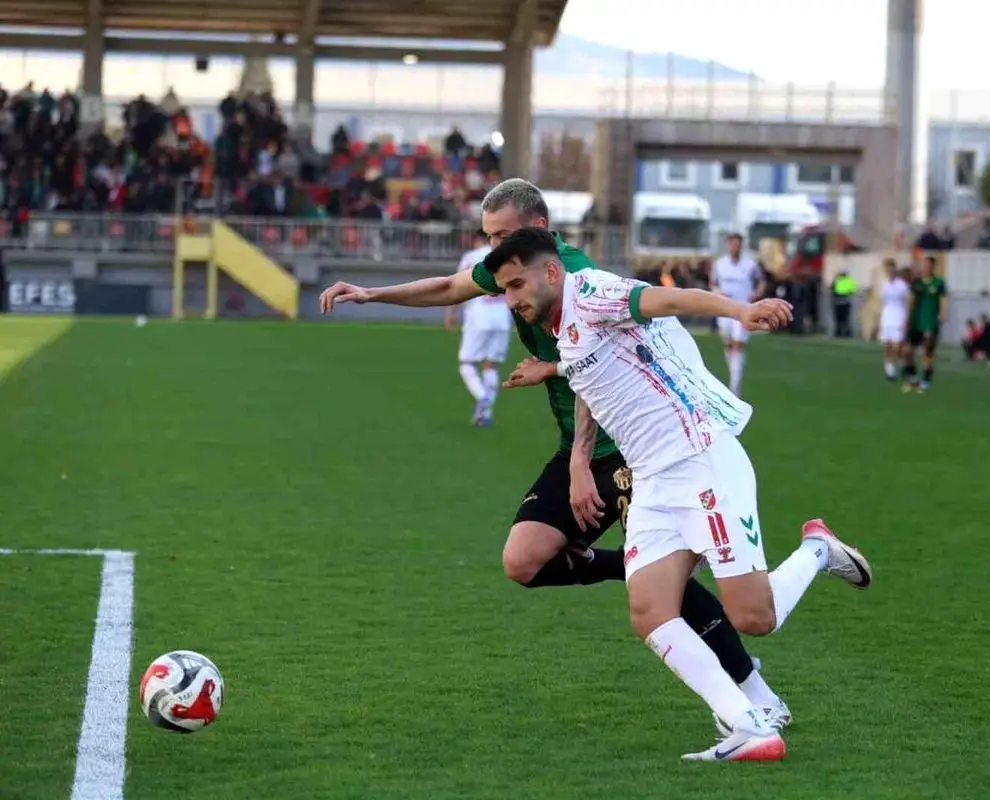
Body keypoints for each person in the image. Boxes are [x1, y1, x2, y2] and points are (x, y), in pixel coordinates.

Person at [317, 178, 789, 731]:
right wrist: (373, 295)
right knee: (525, 560)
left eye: (503, 235)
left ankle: (756, 696)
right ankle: (633, 575)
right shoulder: (511, 270)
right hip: (579, 445)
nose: (493, 251)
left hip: (632, 445)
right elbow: (450, 286)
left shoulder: (573, 277)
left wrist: (581, 464)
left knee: (674, 594)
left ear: (538, 234)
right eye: (487, 236)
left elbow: (604, 366)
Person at [482, 227, 873, 762]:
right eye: (504, 290)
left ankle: (818, 550)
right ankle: (750, 725)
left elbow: (665, 298)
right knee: (649, 611)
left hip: (700, 461)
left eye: (516, 283)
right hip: (653, 480)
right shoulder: (564, 332)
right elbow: (588, 384)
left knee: (753, 617)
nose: (512, 298)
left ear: (551, 272)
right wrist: (577, 459)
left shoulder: (593, 294)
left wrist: (740, 311)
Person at [445, 230, 508, 425]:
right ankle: (485, 415)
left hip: (478, 317)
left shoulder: (471, 257)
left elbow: (456, 287)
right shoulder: (507, 256)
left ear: (476, 239)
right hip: (502, 318)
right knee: (491, 365)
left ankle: (482, 396)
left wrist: (451, 312)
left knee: (466, 363)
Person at [709, 233, 764, 397]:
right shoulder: (719, 264)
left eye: (738, 244)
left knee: (738, 343)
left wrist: (756, 294)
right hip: (724, 309)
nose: (735, 247)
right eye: (732, 244)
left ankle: (735, 385)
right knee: (728, 343)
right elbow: (713, 283)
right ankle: (734, 374)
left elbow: (761, 280)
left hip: (743, 309)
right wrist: (717, 293)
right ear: (727, 245)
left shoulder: (750, 264)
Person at [902, 255, 947, 393]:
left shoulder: (938, 283)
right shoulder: (917, 283)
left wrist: (942, 314)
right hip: (916, 321)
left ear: (932, 267)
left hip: (930, 322)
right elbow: (910, 300)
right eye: (924, 265)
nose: (925, 267)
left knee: (927, 352)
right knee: (907, 351)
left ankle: (926, 380)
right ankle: (913, 378)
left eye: (928, 265)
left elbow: (943, 299)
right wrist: (907, 318)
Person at [878, 258, 910, 381]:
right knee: (887, 346)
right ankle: (890, 370)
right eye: (887, 268)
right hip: (887, 319)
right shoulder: (884, 286)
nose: (889, 271)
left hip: (898, 318)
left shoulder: (902, 286)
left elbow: (907, 303)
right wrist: (881, 320)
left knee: (897, 347)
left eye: (891, 268)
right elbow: (883, 303)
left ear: (894, 269)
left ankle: (903, 364)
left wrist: (906, 320)